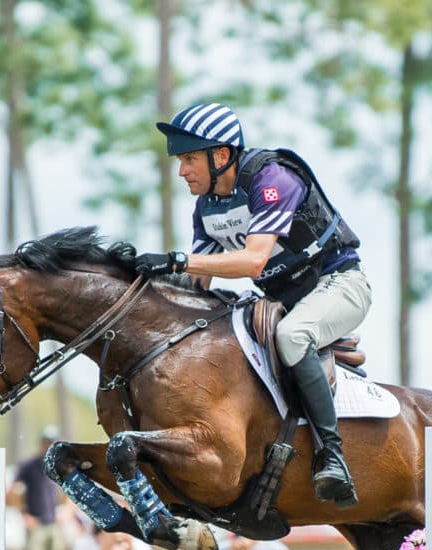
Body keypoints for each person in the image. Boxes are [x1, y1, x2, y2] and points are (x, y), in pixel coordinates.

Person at [136, 102, 369, 509]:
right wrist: (140, 282)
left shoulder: (272, 179)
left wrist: (175, 258)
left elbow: (253, 260)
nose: (181, 171)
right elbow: (196, 283)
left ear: (221, 155)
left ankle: (332, 455)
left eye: (189, 158)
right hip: (282, 298)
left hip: (340, 284)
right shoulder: (207, 207)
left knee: (293, 335)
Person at [14, 427, 65, 550]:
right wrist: (24, 514)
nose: (49, 445)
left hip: (53, 525)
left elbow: (68, 493)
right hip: (36, 526)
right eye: (47, 441)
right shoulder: (29, 466)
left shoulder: (57, 466)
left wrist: (66, 512)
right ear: (42, 443)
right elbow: (13, 492)